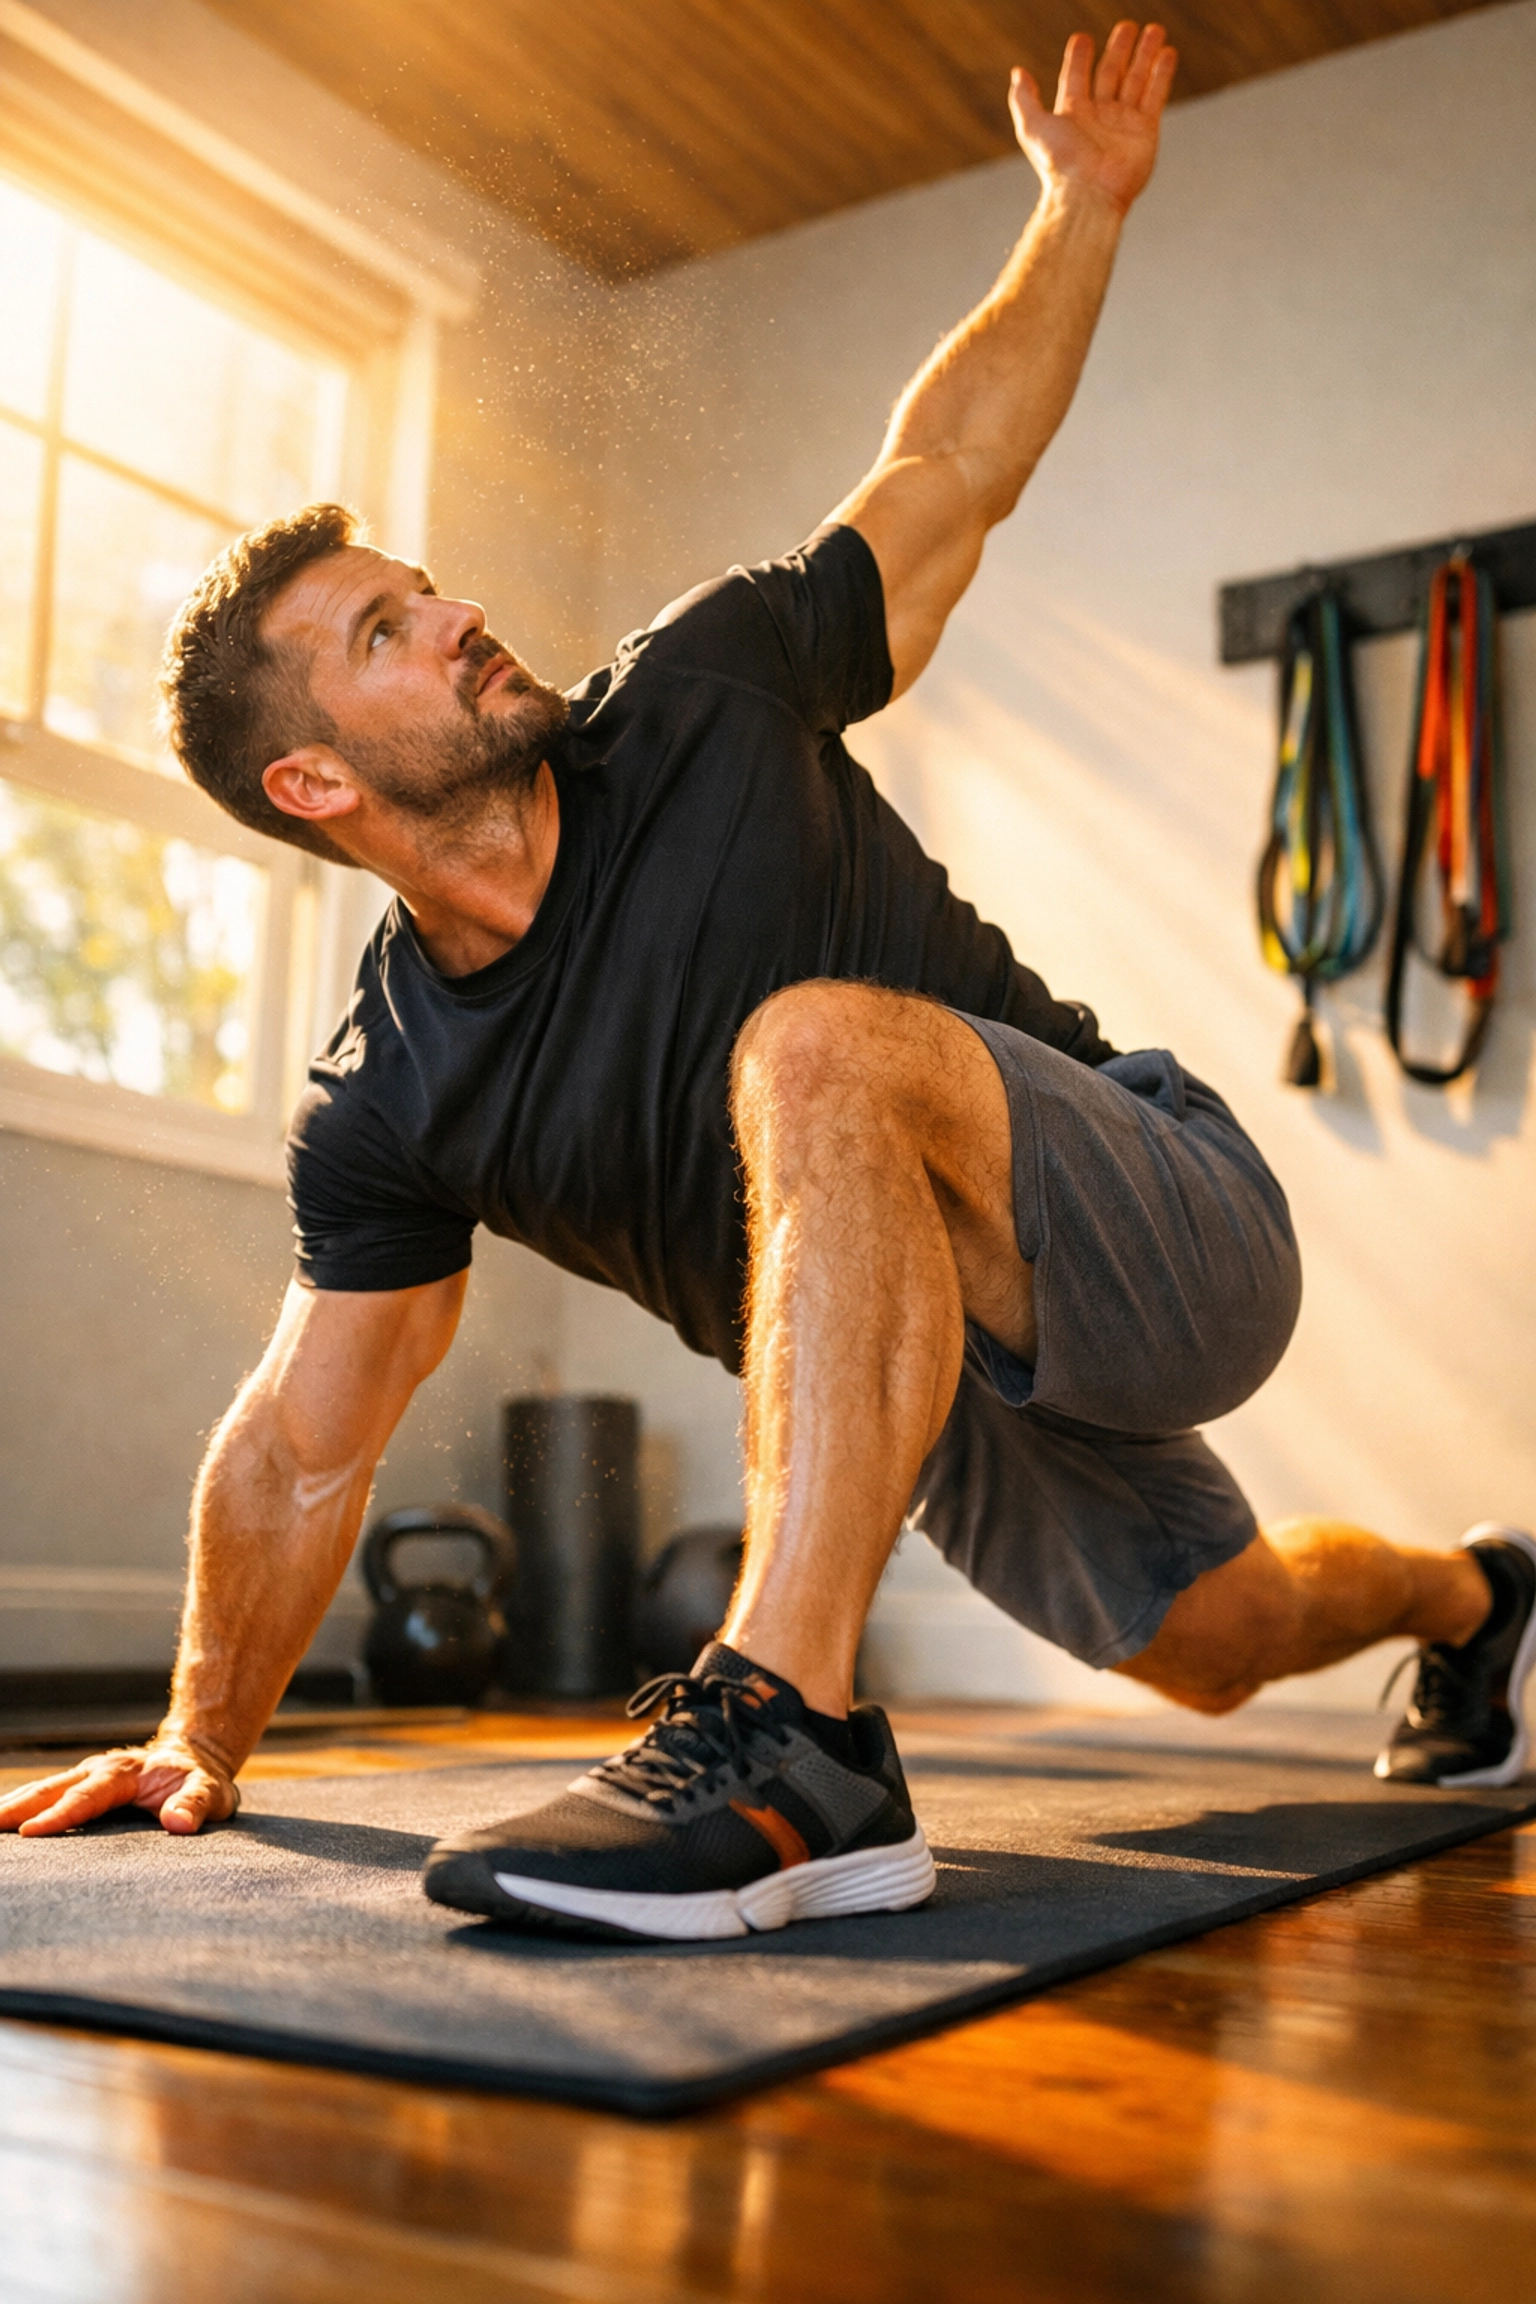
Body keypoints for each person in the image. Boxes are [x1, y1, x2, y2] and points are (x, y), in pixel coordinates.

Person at [3, 22, 1531, 1942]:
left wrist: (1079, 206)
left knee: (808, 1047)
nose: (461, 611)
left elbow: (952, 464)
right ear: (315, 785)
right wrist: (197, 1732)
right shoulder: (387, 1097)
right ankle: (1482, 1603)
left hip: (1154, 1211)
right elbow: (311, 1440)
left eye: (429, 582)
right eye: (391, 629)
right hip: (933, 1388)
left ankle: (793, 1739)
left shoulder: (709, 692)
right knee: (1223, 1642)